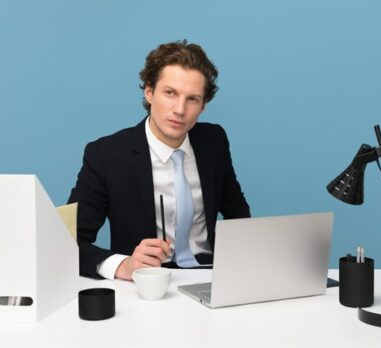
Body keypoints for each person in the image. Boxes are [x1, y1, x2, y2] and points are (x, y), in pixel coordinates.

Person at [68, 40, 250, 280]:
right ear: (149, 92)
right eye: (170, 93)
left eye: (192, 99)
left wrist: (242, 263)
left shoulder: (214, 141)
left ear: (203, 106)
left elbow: (238, 212)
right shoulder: (106, 155)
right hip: (145, 283)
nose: (180, 109)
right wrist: (124, 265)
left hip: (211, 276)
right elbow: (69, 243)